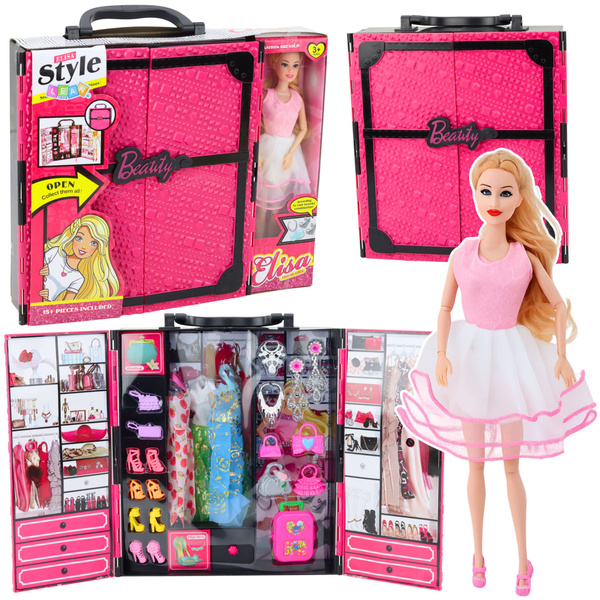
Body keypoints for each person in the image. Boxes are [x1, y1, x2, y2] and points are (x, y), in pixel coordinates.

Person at [396, 148, 596, 596]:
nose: (494, 200)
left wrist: (562, 356)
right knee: (475, 467)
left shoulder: (524, 255)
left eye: (505, 193)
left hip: (510, 360)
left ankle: (522, 559)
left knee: (510, 469)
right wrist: (441, 352)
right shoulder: (462, 253)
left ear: (519, 198)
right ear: (474, 193)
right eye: (486, 191)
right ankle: (478, 555)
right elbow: (444, 308)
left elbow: (558, 305)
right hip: (467, 361)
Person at [256, 52, 311, 239]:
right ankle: (258, 240)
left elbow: (303, 129)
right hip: (268, 151)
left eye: (295, 65)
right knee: (262, 206)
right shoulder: (267, 95)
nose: (291, 70)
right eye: (285, 64)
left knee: (277, 207)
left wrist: (291, 153)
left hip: (287, 155)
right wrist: (257, 153)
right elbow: (252, 123)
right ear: (274, 63)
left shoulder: (297, 98)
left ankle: (271, 241)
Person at [39, 215, 120, 301]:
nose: (84, 247)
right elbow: (33, 268)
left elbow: (66, 304)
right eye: (79, 238)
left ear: (98, 248)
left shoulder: (78, 278)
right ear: (72, 238)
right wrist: (39, 273)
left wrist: (46, 301)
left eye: (93, 243)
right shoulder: (55, 253)